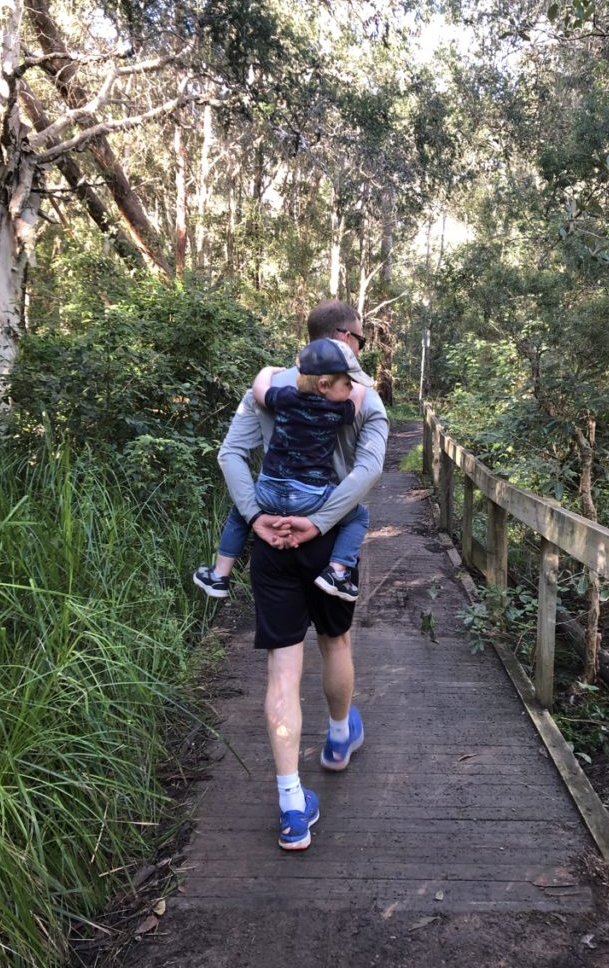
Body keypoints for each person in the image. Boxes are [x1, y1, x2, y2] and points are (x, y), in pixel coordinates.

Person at [217, 299, 388, 850]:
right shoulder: (363, 397)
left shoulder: (266, 387)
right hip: (328, 540)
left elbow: (230, 455)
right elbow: (370, 469)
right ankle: (338, 741)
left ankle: (291, 803)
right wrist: (318, 522)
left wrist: (256, 518)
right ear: (346, 338)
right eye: (361, 339)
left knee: (281, 674)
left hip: (272, 540)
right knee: (335, 643)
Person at [193, 338, 374, 602]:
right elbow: (359, 396)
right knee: (358, 516)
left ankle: (220, 575)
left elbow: (259, 391)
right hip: (310, 497)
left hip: (268, 492)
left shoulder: (285, 398)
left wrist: (269, 370)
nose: (350, 387)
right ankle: (337, 571)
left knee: (240, 512)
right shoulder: (336, 411)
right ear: (324, 386)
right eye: (345, 382)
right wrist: (358, 385)